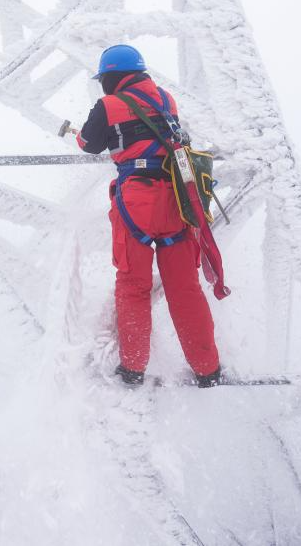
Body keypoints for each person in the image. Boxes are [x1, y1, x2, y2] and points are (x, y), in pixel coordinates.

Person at [76, 45, 221, 388]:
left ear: (110, 78)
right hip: (177, 200)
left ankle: (133, 368)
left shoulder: (108, 106)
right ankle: (207, 369)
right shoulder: (166, 100)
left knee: (133, 287)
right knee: (185, 289)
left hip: (137, 202)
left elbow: (88, 143)